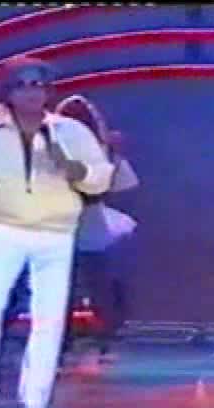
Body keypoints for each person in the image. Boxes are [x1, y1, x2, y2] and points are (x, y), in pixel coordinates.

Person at [0, 57, 115, 408]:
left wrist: (71, 167)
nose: (31, 92)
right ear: (8, 92)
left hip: (56, 233)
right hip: (5, 230)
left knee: (48, 317)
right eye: (22, 85)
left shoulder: (70, 132)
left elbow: (100, 177)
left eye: (37, 85)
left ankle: (35, 398)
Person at [55, 94, 139, 363]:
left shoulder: (98, 150)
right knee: (90, 285)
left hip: (81, 221)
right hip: (74, 220)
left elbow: (120, 184)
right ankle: (100, 341)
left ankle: (72, 344)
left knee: (77, 286)